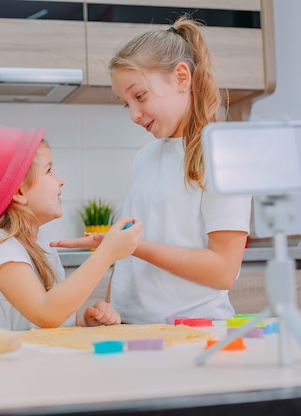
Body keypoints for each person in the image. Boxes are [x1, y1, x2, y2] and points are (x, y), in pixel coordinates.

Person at [51, 16, 252, 324]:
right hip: (131, 327)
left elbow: (223, 271)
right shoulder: (145, 156)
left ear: (181, 78)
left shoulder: (223, 156)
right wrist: (109, 308)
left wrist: (131, 246)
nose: (133, 114)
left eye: (140, 96)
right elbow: (129, 259)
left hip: (194, 331)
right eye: (126, 103)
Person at [0, 124, 142, 330]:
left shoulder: (41, 242)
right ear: (19, 192)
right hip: (12, 375)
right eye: (49, 170)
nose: (60, 180)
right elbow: (44, 313)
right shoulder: (0, 245)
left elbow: (45, 320)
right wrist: (105, 254)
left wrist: (82, 322)